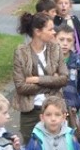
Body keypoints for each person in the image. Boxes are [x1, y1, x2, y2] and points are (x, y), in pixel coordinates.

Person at [12, 12, 68, 142]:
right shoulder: (21, 52)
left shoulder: (55, 49)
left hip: (54, 109)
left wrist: (38, 80)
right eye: (50, 29)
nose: (54, 32)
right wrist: (52, 83)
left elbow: (64, 78)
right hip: (30, 112)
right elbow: (20, 87)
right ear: (38, 32)